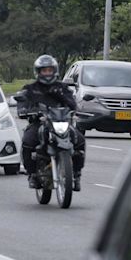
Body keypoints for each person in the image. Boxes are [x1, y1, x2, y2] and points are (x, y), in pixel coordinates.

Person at [17, 55, 86, 191]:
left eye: (49, 70)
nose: (47, 73)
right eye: (44, 71)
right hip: (40, 123)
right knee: (27, 141)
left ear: (55, 71)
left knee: (80, 141)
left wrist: (75, 109)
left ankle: (76, 174)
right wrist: (25, 109)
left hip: (61, 122)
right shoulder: (31, 88)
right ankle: (32, 174)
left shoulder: (62, 88)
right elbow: (22, 103)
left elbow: (72, 103)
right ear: (38, 72)